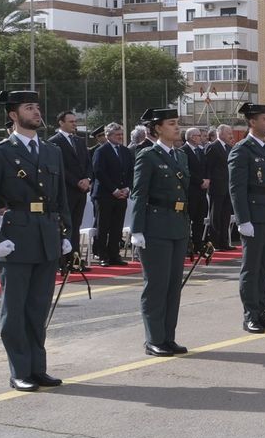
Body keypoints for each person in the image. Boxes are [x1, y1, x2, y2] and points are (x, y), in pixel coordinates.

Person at [0, 89, 71, 391]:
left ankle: (37, 368)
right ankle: (19, 370)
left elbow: (61, 198)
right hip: (16, 237)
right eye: (29, 108)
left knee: (38, 307)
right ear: (13, 115)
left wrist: (65, 233)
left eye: (37, 107)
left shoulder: (52, 151)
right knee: (14, 310)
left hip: (47, 235)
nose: (36, 112)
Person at [129, 108, 191, 357]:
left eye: (177, 123)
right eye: (171, 123)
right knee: (156, 285)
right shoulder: (148, 156)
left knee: (174, 286)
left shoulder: (181, 156)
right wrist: (137, 230)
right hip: (155, 227)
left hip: (178, 225)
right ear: (157, 128)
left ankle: (168, 337)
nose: (177, 127)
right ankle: (154, 339)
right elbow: (139, 194)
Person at [230, 102, 265, 333]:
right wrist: (243, 220)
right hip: (254, 217)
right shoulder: (242, 149)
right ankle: (250, 314)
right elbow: (237, 188)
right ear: (252, 122)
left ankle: (261, 310)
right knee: (251, 268)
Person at [52, 111, 93, 271]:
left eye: (75, 121)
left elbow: (88, 163)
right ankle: (62, 261)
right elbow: (60, 167)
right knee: (64, 227)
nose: (74, 124)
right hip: (67, 191)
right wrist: (76, 182)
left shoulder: (79, 141)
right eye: (71, 121)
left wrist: (87, 179)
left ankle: (75, 260)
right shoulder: (54, 142)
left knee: (76, 226)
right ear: (61, 123)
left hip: (81, 192)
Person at [89, 123, 132, 267]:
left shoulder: (125, 151)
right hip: (105, 195)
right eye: (117, 134)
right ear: (108, 136)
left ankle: (114, 255)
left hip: (122, 195)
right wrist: (114, 190)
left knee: (117, 227)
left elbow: (131, 171)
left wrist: (127, 188)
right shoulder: (101, 151)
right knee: (103, 226)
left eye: (121, 134)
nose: (120, 137)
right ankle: (102, 255)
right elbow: (99, 172)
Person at [206, 125, 235, 250]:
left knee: (226, 216)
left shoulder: (229, 148)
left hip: (228, 187)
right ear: (220, 133)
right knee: (216, 216)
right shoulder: (213, 147)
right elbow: (208, 166)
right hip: (216, 187)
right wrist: (208, 180)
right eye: (228, 133)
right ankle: (215, 243)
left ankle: (224, 242)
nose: (231, 135)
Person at [184, 127, 211, 253]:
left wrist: (207, 179)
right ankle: (187, 245)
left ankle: (198, 244)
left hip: (202, 191)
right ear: (192, 137)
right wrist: (200, 181)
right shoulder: (183, 151)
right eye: (199, 135)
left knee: (199, 220)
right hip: (191, 191)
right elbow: (186, 170)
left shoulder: (200, 151)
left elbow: (206, 167)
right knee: (188, 219)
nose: (201, 138)